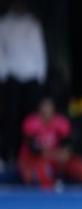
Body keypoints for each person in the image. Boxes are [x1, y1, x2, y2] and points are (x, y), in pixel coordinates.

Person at [18, 97, 82, 189]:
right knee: (41, 172)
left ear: (53, 108)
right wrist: (55, 154)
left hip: (57, 160)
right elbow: (33, 149)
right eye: (44, 106)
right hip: (35, 161)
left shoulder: (60, 123)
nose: (46, 110)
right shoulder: (31, 123)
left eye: (49, 107)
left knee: (78, 166)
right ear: (39, 109)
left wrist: (64, 153)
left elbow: (68, 146)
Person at [0, 0, 46, 163]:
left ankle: (30, 155)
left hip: (31, 76)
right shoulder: (4, 23)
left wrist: (40, 74)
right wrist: (4, 73)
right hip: (11, 76)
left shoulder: (32, 24)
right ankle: (7, 154)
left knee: (31, 119)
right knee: (9, 117)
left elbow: (39, 50)